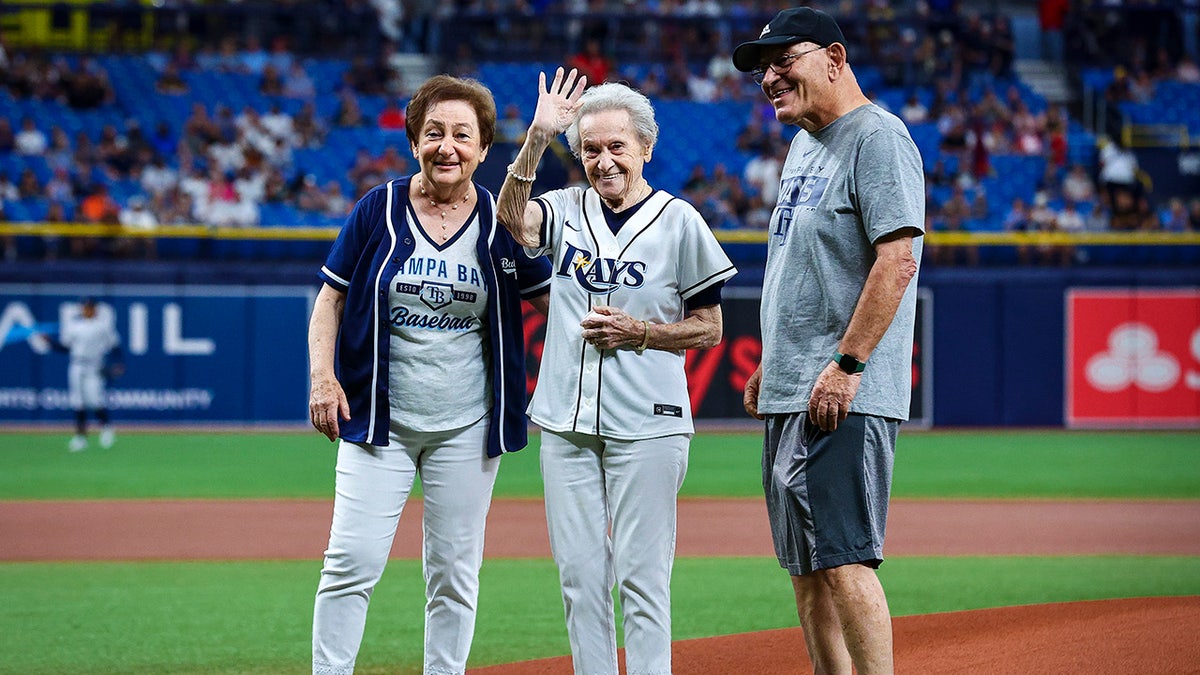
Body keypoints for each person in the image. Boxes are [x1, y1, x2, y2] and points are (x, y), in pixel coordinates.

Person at [307, 74, 553, 675]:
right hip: (377, 420)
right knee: (351, 562)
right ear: (414, 139)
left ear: (484, 149)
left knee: (453, 572)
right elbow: (330, 299)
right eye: (434, 132)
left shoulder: (502, 220)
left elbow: (553, 305)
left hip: (468, 427)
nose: (448, 146)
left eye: (462, 136)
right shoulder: (378, 209)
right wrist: (322, 376)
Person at [495, 70, 737, 675]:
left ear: (646, 149)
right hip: (566, 420)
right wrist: (537, 136)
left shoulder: (680, 221)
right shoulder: (565, 207)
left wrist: (647, 334)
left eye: (616, 147)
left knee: (642, 578)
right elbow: (509, 222)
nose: (603, 161)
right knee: (580, 578)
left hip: (649, 424)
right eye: (591, 149)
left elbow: (710, 328)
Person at [733, 8, 924, 674]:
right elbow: (806, 268)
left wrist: (847, 364)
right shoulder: (803, 144)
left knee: (842, 556)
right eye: (762, 69)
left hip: (838, 391)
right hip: (795, 383)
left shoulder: (878, 137)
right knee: (806, 567)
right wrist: (772, 361)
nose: (769, 77)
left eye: (783, 61)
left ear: (835, 57)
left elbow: (897, 258)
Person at [53, 298, 123, 452]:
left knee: (95, 400)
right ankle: (80, 438)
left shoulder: (102, 326)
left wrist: (119, 363)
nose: (87, 310)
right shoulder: (74, 325)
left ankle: (106, 430)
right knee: (78, 401)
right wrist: (49, 343)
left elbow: (115, 345)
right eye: (85, 307)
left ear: (95, 309)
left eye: (89, 307)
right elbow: (65, 348)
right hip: (77, 365)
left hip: (94, 365)